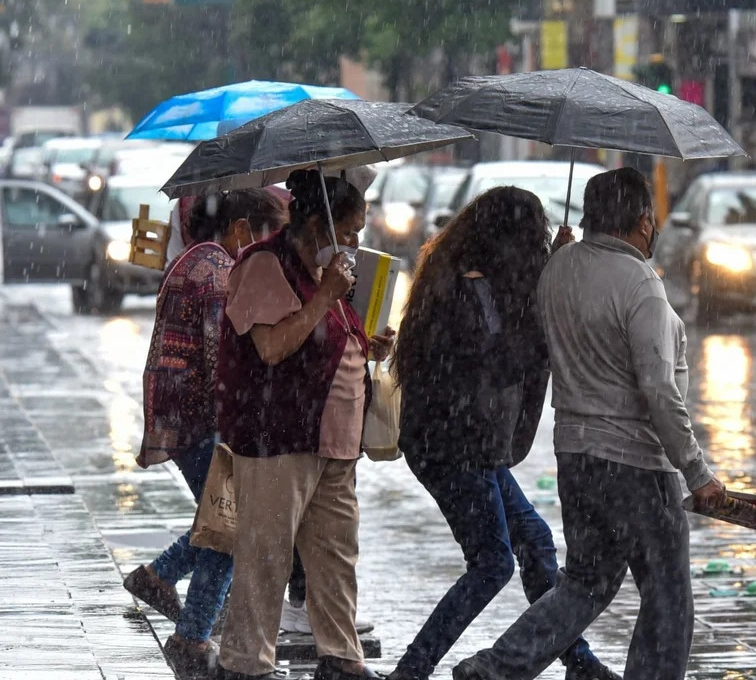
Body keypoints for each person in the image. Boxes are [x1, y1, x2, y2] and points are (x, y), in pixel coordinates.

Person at [453, 168, 726, 680]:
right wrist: (697, 472)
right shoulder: (641, 284)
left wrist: (560, 255)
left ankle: (495, 668)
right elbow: (660, 390)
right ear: (644, 221)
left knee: (584, 584)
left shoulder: (558, 270)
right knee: (668, 596)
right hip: (637, 465)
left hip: (576, 458)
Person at [383, 187, 619, 680]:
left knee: (534, 541)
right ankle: (412, 670)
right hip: (448, 447)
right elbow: (498, 361)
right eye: (529, 238)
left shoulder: (487, 283)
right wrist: (543, 319)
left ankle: (579, 662)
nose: (533, 249)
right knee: (492, 563)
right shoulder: (462, 290)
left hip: (473, 447)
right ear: (505, 238)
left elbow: (515, 335)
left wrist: (554, 267)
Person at [214, 169, 392, 680]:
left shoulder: (326, 270)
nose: (356, 241)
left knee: (335, 556)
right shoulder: (266, 265)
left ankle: (339, 656)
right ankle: (245, 663)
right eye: (350, 230)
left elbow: (326, 335)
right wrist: (325, 296)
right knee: (266, 557)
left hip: (333, 442)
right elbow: (272, 347)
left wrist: (364, 343)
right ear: (319, 223)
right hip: (278, 435)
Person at [124, 189, 287, 679]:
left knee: (222, 520)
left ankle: (159, 579)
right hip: (203, 420)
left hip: (183, 415)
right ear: (239, 229)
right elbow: (224, 360)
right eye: (261, 236)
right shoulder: (217, 273)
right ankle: (190, 635)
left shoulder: (192, 258)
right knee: (229, 526)